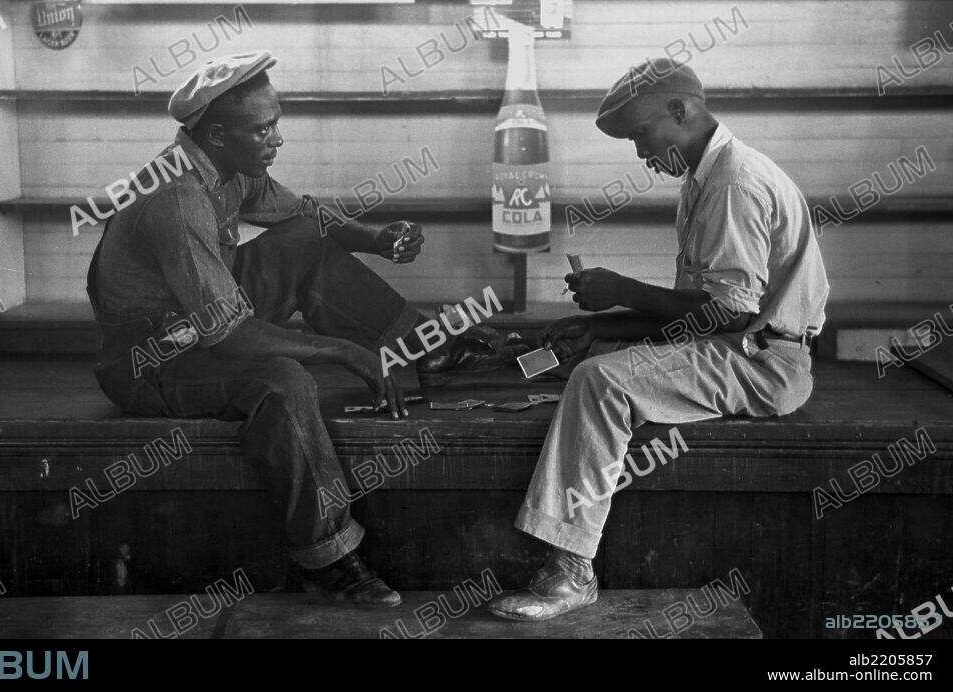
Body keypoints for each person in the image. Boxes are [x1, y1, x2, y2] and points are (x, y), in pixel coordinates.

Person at [86, 51, 496, 606]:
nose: (277, 138)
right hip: (153, 362)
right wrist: (343, 351)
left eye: (276, 121)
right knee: (284, 380)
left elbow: (302, 217)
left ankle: (426, 354)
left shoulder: (225, 165)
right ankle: (328, 559)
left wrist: (373, 238)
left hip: (199, 320)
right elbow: (227, 336)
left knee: (305, 242)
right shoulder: (177, 199)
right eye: (263, 128)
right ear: (216, 132)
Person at [488, 58, 829, 621]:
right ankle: (574, 482)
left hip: (764, 363)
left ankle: (571, 570)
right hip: (736, 345)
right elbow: (694, 318)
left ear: (681, 110)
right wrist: (600, 325)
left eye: (641, 134)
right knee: (592, 354)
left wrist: (621, 289)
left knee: (598, 382)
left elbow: (723, 316)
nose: (641, 154)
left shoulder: (733, 183)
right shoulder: (705, 179)